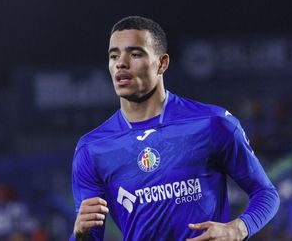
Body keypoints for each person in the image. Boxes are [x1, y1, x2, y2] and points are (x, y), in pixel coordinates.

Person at [70, 16, 280, 241]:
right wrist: (79, 234)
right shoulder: (92, 149)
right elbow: (89, 236)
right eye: (114, 55)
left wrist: (237, 229)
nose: (121, 62)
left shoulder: (212, 123)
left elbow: (266, 194)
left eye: (135, 54)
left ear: (162, 63)